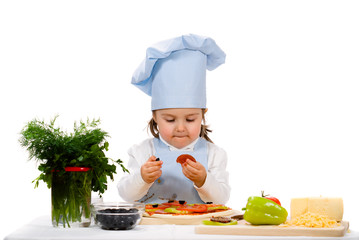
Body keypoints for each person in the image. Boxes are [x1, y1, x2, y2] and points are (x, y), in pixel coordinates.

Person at [117, 34, 230, 204]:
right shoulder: (142, 151)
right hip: (151, 228)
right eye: (170, 120)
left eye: (190, 119)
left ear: (202, 115)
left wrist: (204, 180)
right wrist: (142, 178)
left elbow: (222, 199)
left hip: (195, 227)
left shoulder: (214, 154)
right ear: (155, 116)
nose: (180, 128)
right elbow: (126, 195)